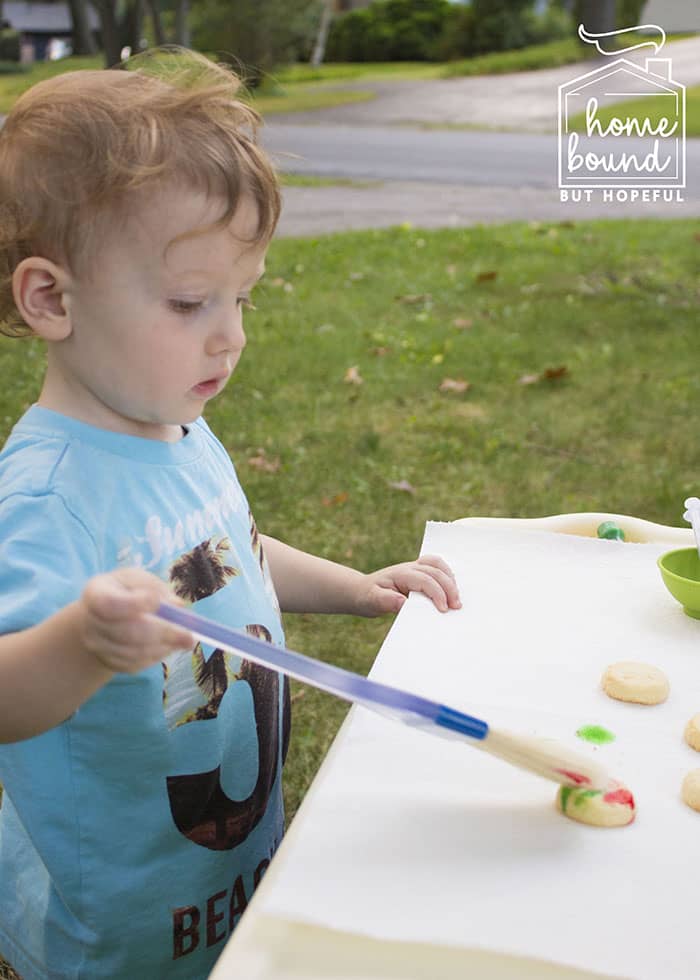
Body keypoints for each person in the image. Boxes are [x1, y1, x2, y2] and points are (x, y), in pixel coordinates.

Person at [0, 51, 461, 980]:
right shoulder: (48, 495)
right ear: (52, 297)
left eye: (241, 298)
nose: (233, 334)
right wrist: (84, 644)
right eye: (188, 302)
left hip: (222, 878)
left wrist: (356, 588)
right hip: (119, 929)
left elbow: (228, 552)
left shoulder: (174, 425)